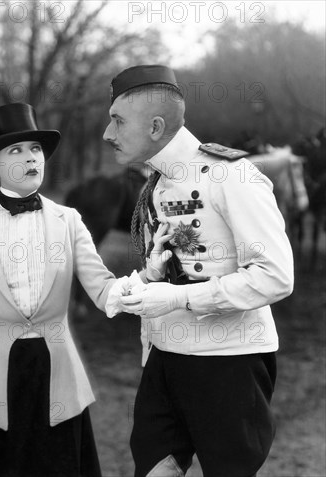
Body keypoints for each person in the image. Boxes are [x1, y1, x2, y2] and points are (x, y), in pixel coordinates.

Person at [0, 102, 161, 477]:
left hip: (57, 375)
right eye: (16, 150)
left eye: (36, 150)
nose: (31, 158)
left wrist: (146, 279)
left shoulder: (69, 221)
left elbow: (103, 289)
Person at [103, 65, 295, 477]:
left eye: (117, 120)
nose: (108, 132)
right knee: (154, 467)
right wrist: (150, 281)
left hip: (228, 362)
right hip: (165, 357)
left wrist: (178, 297)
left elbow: (275, 275)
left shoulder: (231, 175)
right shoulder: (155, 183)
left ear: (155, 126)